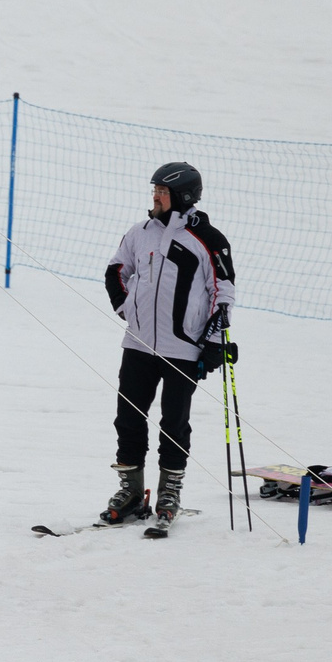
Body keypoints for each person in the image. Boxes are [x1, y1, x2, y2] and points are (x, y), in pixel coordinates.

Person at [100, 161, 236, 531]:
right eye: (154, 190)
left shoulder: (209, 239)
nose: (155, 197)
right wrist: (126, 307)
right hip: (138, 344)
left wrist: (213, 343)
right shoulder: (139, 232)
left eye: (162, 191)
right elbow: (116, 270)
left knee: (174, 423)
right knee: (128, 418)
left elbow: (222, 293)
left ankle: (168, 493)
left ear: (183, 196)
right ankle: (129, 492)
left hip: (182, 348)